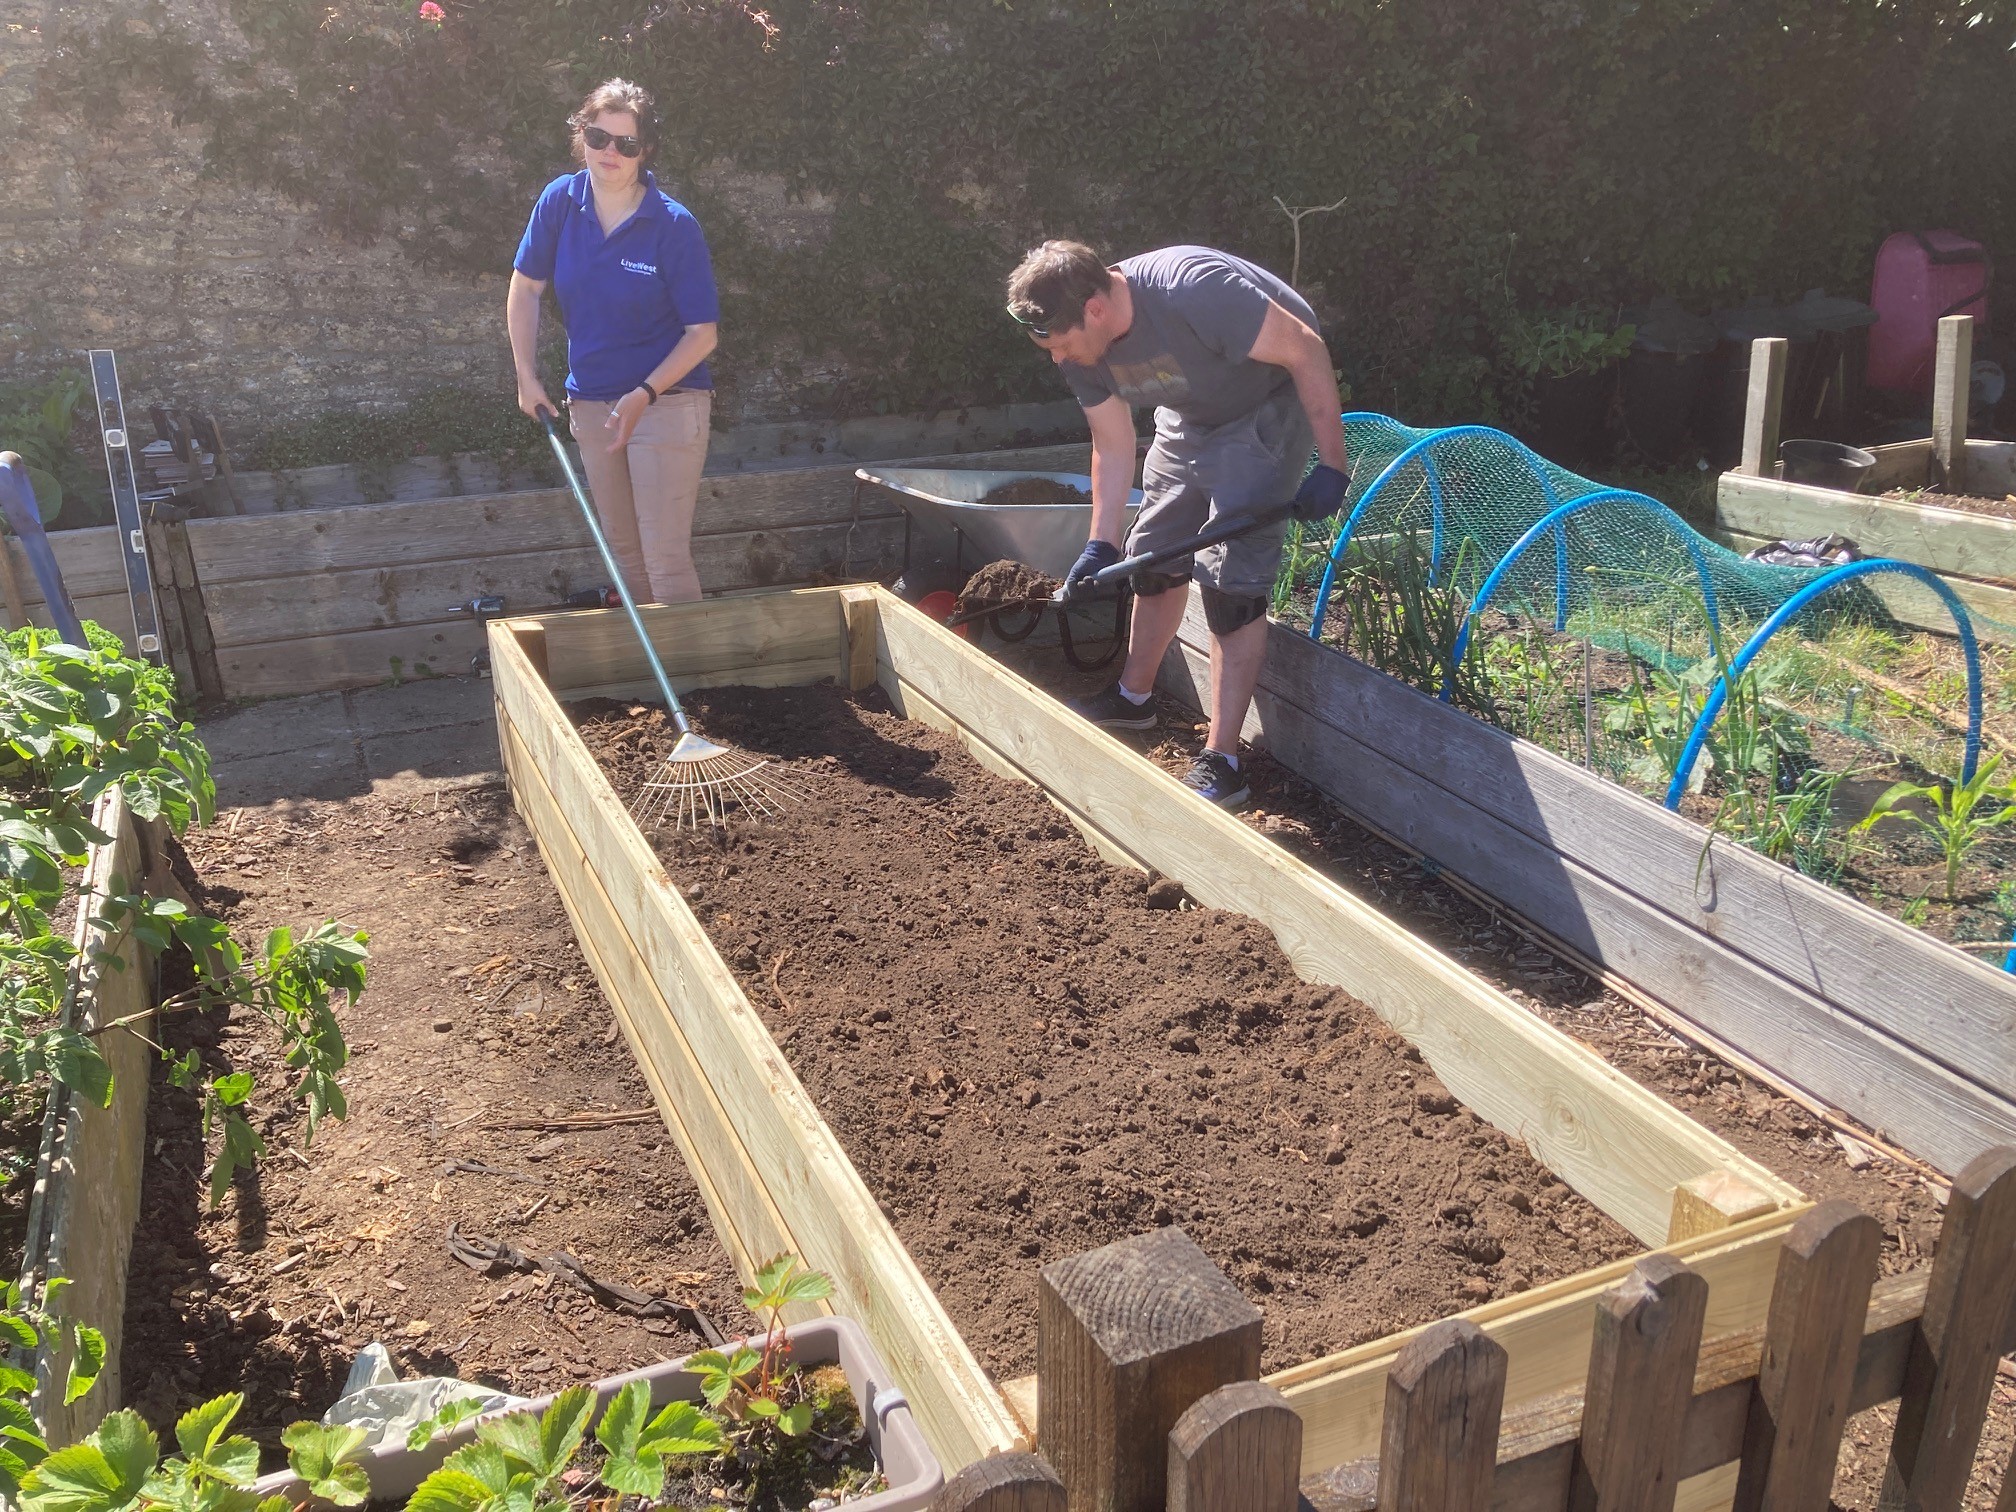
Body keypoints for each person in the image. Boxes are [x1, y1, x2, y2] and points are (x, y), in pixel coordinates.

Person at [1005, 241, 1350, 808]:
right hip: (1188, 416)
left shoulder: (1192, 289)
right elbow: (1112, 444)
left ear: (1094, 310)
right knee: (1155, 557)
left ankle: (1224, 760)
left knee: (1230, 586)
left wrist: (1332, 463)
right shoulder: (1080, 350)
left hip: (1263, 409)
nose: (1056, 358)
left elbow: (1305, 349)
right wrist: (1100, 544)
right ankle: (1133, 699)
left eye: (1061, 344)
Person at [507, 79, 721, 605]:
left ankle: (692, 687)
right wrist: (526, 376)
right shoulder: (561, 200)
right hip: (592, 405)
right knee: (625, 559)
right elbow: (526, 288)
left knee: (664, 560)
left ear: (644, 151)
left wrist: (644, 394)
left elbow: (702, 336)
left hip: (667, 403)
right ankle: (651, 685)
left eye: (627, 144)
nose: (610, 153)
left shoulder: (673, 224)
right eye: (599, 137)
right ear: (582, 135)